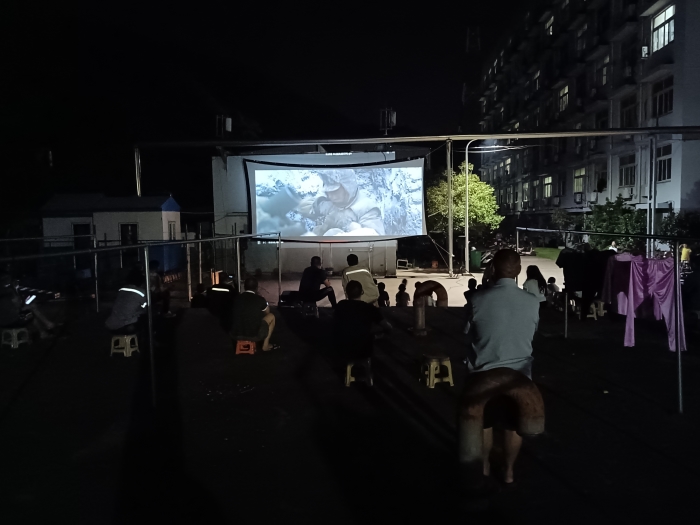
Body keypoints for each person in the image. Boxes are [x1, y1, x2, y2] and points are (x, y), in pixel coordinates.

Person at [465, 249, 539, 484]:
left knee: (483, 424)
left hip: (483, 374)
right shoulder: (532, 301)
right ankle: (508, 471)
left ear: (492, 269)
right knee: (512, 426)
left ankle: (485, 466)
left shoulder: (477, 299)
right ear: (518, 269)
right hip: (519, 376)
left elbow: (467, 332)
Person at [298, 169, 385, 236]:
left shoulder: (367, 209)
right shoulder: (329, 201)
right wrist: (308, 207)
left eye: (335, 191)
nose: (330, 196)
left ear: (347, 187)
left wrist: (351, 228)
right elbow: (315, 207)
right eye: (328, 192)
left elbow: (375, 237)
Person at [334, 280, 389, 359]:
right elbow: (387, 327)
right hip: (363, 350)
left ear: (346, 293)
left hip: (342, 347)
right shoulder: (369, 308)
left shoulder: (340, 305)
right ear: (362, 292)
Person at [1, 274, 59, 339]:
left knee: (31, 308)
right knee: (31, 312)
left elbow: (14, 306)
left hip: (3, 321)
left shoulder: (3, 291)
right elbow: (17, 306)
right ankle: (46, 328)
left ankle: (46, 327)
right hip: (12, 320)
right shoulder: (10, 292)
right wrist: (16, 290)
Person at [232, 277, 279, 351]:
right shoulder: (260, 299)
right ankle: (265, 346)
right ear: (256, 288)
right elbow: (267, 313)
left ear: (244, 287)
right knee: (271, 316)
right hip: (254, 335)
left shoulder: (236, 299)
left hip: (235, 334)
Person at [105, 269, 148, 333]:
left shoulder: (121, 290)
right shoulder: (141, 292)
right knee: (146, 317)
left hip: (111, 324)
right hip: (125, 325)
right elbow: (147, 309)